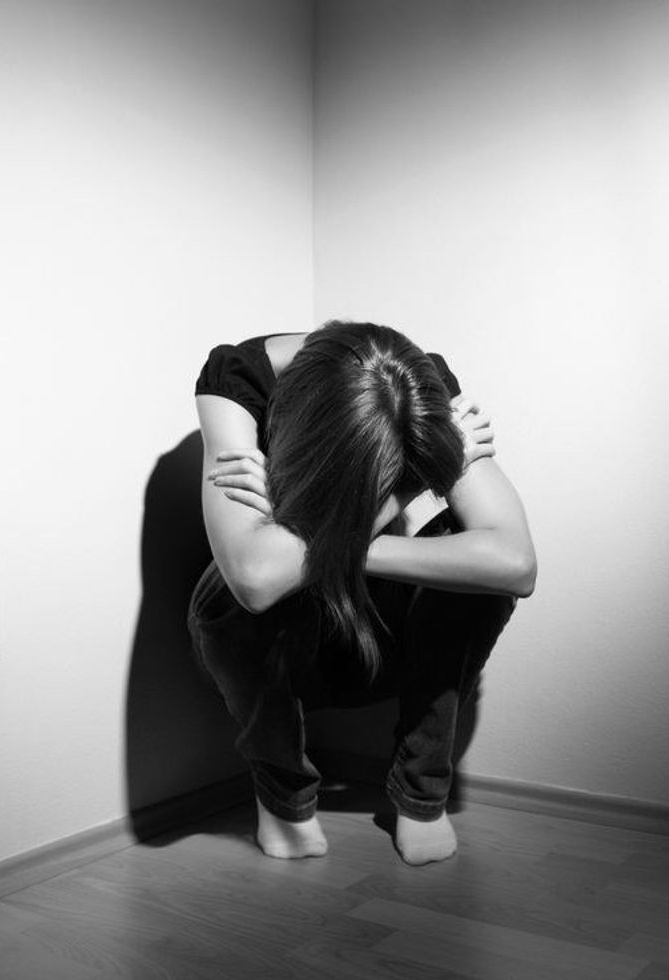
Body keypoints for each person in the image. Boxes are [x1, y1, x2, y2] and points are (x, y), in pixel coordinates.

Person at [188, 321, 536, 865]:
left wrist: (322, 542)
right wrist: (414, 479)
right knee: (226, 585)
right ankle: (282, 795)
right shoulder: (236, 383)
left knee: (469, 562)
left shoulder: (417, 385)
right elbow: (255, 579)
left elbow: (514, 562)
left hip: (383, 638)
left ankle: (421, 791)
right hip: (284, 651)